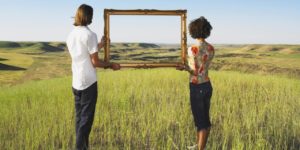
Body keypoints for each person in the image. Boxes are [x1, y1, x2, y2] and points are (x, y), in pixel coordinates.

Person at [66, 4, 120, 150]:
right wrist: (111, 65)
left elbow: (84, 52)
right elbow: (95, 62)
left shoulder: (71, 34)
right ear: (89, 16)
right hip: (88, 82)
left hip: (76, 82)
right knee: (86, 121)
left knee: (79, 120)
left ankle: (83, 147)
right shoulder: (90, 35)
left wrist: (100, 45)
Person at [177, 16, 214, 150]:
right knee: (205, 119)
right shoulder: (211, 48)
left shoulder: (192, 49)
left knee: (201, 123)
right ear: (207, 30)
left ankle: (200, 148)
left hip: (196, 86)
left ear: (194, 30)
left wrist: (184, 68)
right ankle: (199, 145)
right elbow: (203, 70)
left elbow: (195, 72)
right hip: (207, 85)